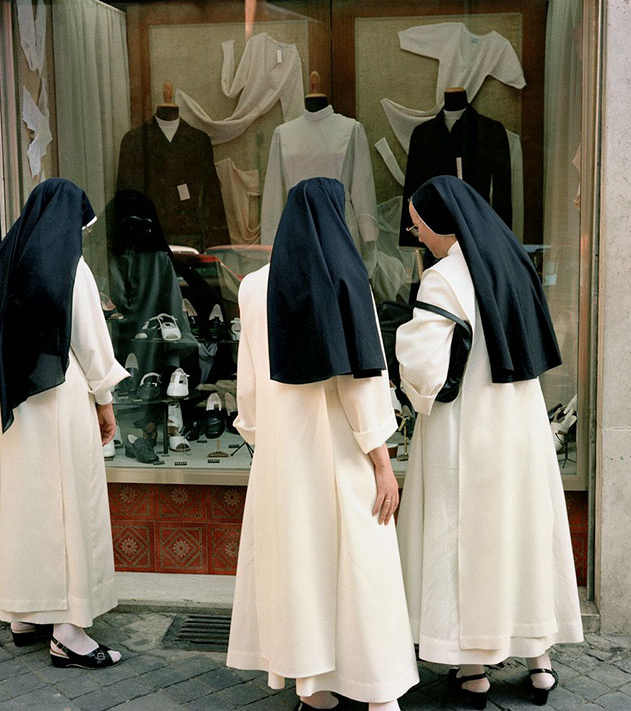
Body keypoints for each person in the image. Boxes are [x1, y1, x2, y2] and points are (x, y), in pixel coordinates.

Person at [226, 177, 419, 711]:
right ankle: (378, 692)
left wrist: (265, 441)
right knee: (361, 569)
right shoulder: (345, 275)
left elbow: (248, 384)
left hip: (282, 456)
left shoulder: (252, 288)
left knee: (299, 566)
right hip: (342, 451)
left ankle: (313, 689)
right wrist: (382, 461)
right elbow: (362, 380)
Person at [395, 176, 583, 708]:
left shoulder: (442, 279)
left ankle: (474, 669)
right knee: (524, 538)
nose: (415, 232)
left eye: (418, 222)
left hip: (466, 432)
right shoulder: (512, 263)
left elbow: (425, 369)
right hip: (521, 429)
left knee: (467, 543)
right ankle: (540, 663)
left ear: (441, 222)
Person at [0, 178, 129, 669]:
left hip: (20, 404)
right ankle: (69, 633)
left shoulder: (9, 260)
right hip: (62, 397)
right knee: (70, 509)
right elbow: (90, 343)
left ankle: (25, 614)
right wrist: (105, 400)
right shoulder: (71, 268)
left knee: (31, 506)